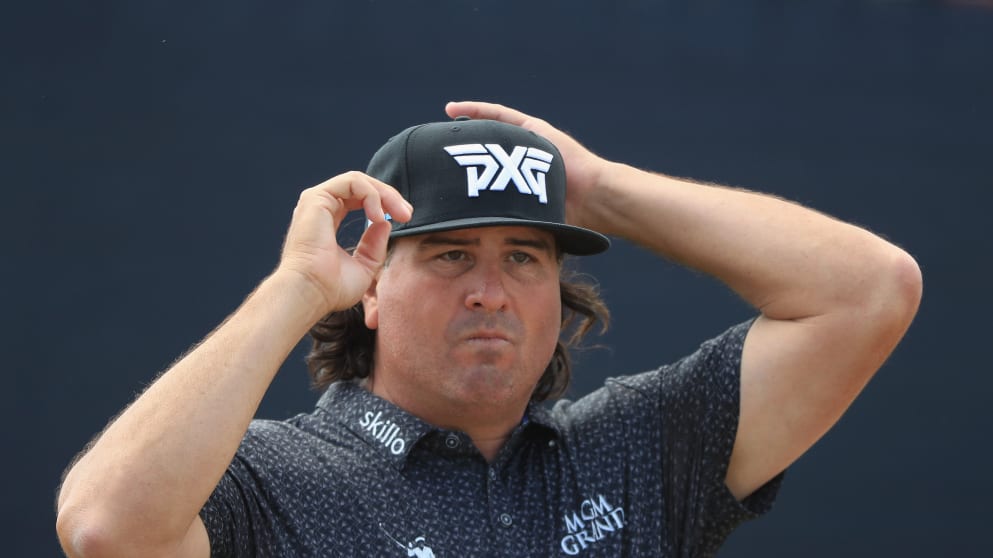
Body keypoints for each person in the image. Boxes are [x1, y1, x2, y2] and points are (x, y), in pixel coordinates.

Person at [55, 101, 922, 557]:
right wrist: (295, 288)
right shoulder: (276, 478)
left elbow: (867, 292)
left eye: (524, 257)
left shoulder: (636, 451)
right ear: (372, 289)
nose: (490, 292)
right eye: (449, 257)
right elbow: (105, 530)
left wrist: (595, 189)